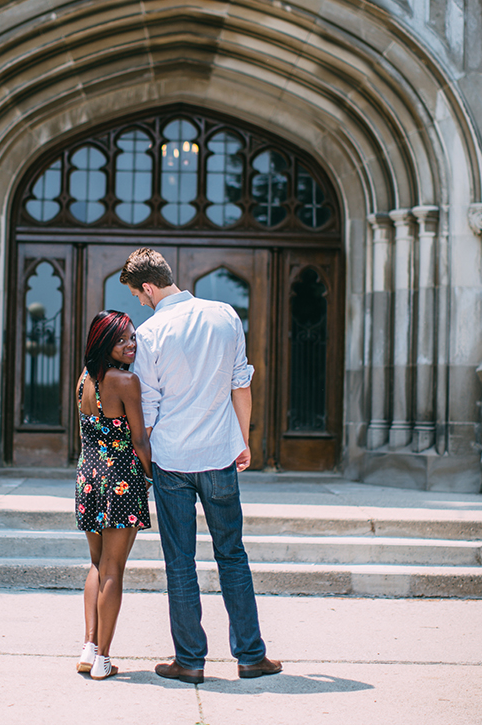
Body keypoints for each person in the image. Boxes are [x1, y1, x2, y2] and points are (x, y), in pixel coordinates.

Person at [121, 247, 281, 684]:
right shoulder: (225, 315)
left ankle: (189, 661)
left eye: (138, 294)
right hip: (217, 456)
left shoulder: (150, 332)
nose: (139, 302)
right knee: (232, 555)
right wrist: (241, 440)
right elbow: (240, 383)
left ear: (149, 287)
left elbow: (148, 406)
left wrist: (146, 460)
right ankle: (251, 656)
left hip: (172, 460)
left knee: (180, 562)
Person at [75, 310, 152, 680]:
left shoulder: (83, 381)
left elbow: (86, 434)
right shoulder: (126, 381)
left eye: (132, 338)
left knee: (96, 563)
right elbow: (139, 439)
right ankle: (103, 657)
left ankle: (89, 646)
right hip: (121, 480)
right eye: (121, 340)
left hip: (88, 478)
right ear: (104, 343)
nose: (130, 345)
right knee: (113, 569)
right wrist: (152, 476)